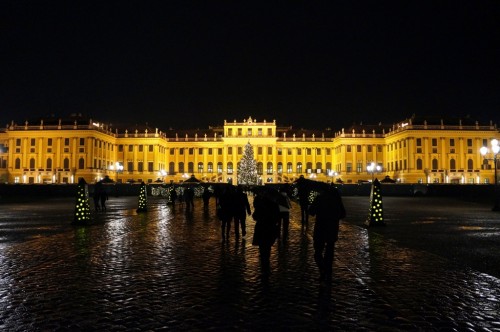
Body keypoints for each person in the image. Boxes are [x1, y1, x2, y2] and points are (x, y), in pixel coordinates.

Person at [309, 185, 346, 283]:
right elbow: (343, 214)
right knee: (329, 252)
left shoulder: (320, 198)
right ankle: (328, 271)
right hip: (332, 228)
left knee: (317, 252)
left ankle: (322, 269)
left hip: (320, 228)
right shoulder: (336, 200)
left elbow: (311, 212)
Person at [252, 192, 280, 277]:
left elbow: (255, 216)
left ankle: (264, 261)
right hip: (270, 227)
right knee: (268, 245)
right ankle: (266, 261)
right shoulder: (274, 205)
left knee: (262, 245)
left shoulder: (260, 205)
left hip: (261, 227)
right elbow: (278, 217)